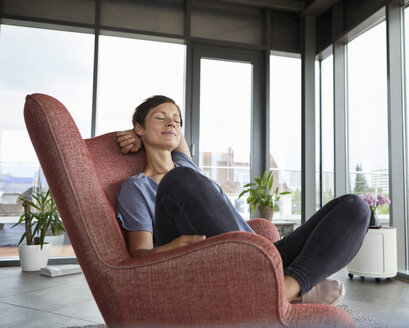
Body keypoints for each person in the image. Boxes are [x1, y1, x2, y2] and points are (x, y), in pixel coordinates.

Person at [116, 95, 370, 305]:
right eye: (160, 118)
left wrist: (145, 128)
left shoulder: (183, 162)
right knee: (179, 179)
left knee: (355, 207)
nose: (171, 124)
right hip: (204, 262)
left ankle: (285, 289)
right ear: (140, 127)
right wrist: (173, 246)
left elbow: (177, 135)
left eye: (176, 121)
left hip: (259, 250)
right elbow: (139, 254)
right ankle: (288, 286)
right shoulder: (137, 186)